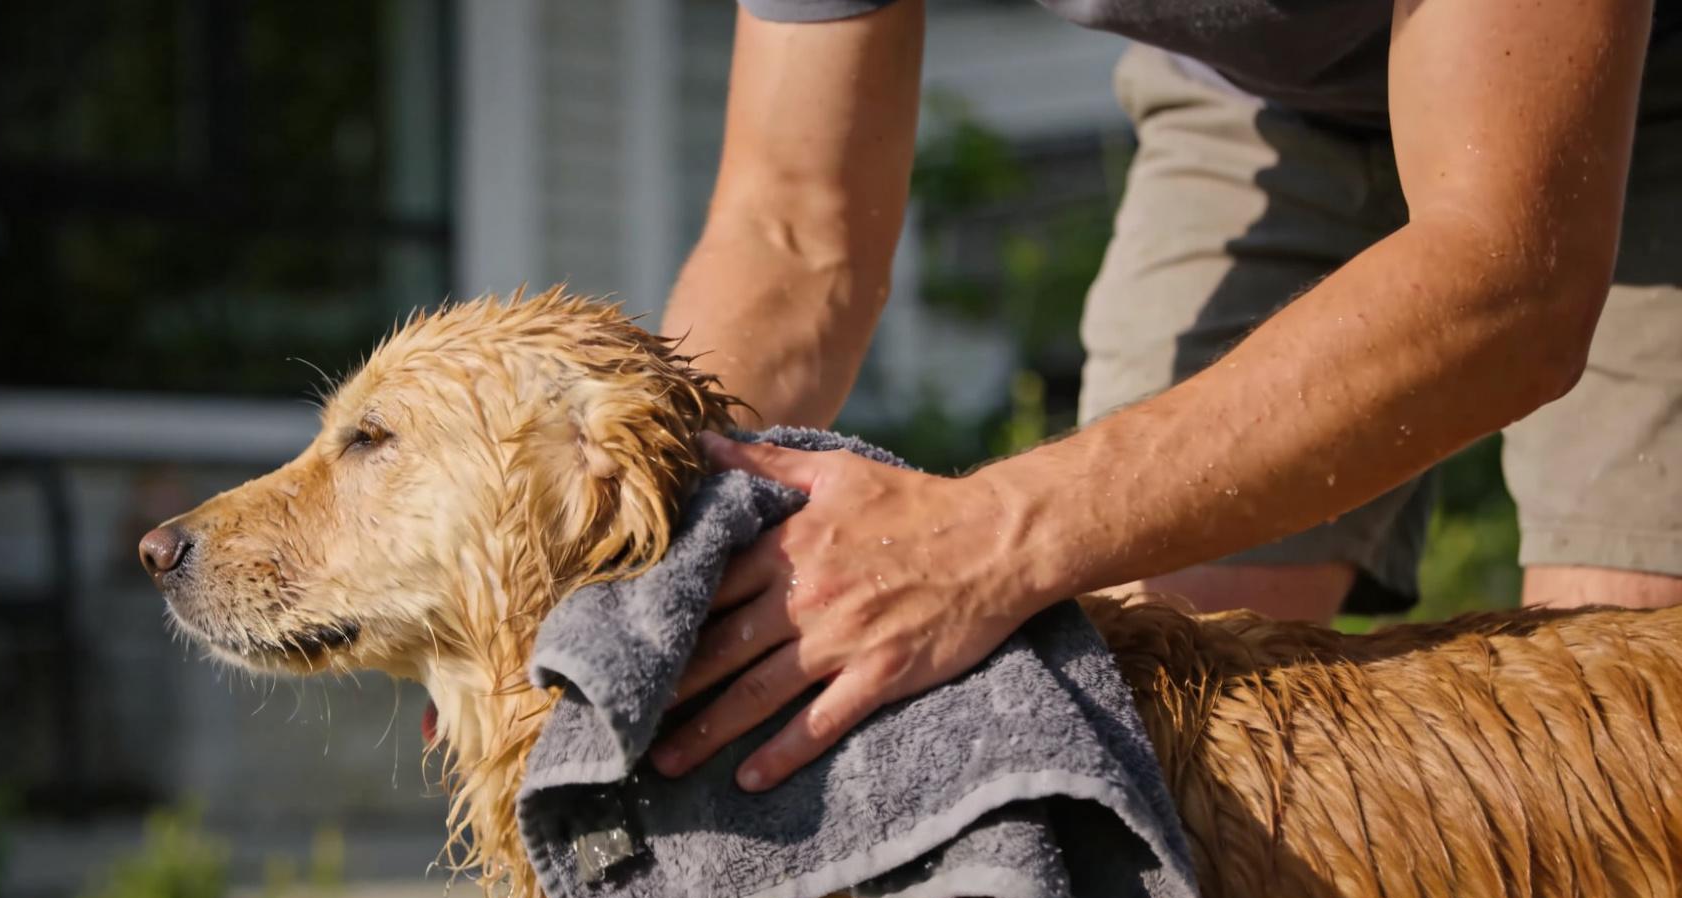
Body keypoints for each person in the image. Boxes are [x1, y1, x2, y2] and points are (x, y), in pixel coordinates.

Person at [645, 0, 1682, 792]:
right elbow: (790, 231)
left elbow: (1511, 284)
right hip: (1266, 93)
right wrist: (647, 530)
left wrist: (988, 534)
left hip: (1637, 77)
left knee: (1614, 763)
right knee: (1150, 752)